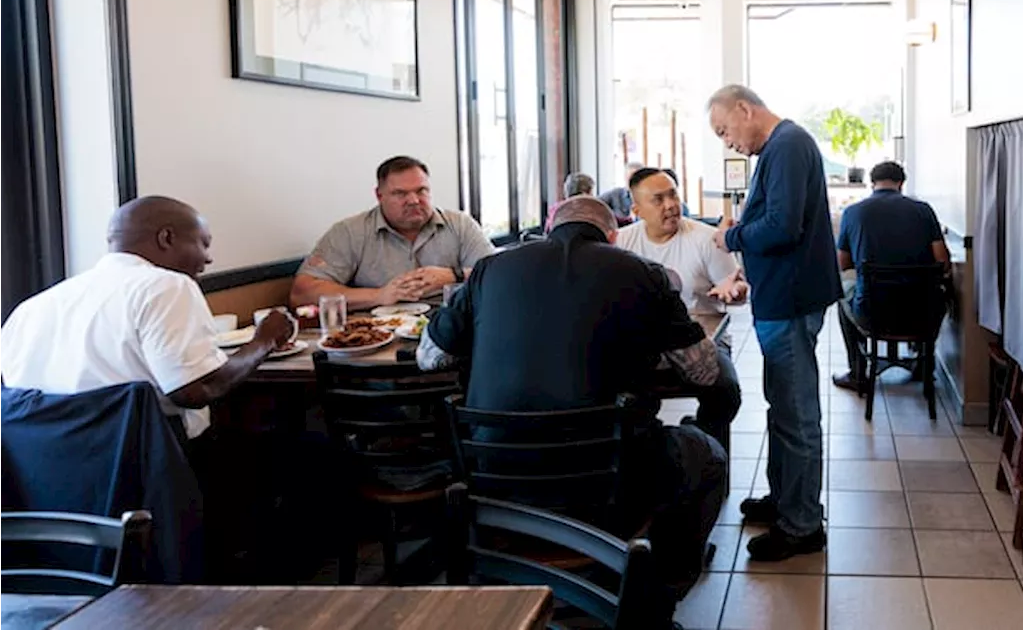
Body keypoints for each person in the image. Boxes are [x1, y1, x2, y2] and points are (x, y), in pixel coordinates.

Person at [418, 197, 726, 627]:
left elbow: (429, 357)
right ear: (613, 234)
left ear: (547, 228)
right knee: (708, 457)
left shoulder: (491, 269)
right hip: (610, 484)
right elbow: (704, 372)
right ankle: (655, 600)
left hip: (497, 479)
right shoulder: (643, 273)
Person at [0, 197, 294, 439]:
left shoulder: (29, 309)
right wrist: (264, 340)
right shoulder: (165, 285)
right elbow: (195, 390)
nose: (208, 258)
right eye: (203, 243)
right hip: (144, 470)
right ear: (166, 238)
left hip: (46, 489)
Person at [707, 84, 840, 562]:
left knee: (796, 414)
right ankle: (786, 501)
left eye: (725, 129)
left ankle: (802, 525)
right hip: (780, 295)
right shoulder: (780, 149)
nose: (728, 142)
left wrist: (731, 236)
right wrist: (746, 271)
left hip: (790, 301)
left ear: (745, 108)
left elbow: (783, 227)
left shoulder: (787, 145)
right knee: (781, 408)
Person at [617, 167, 745, 450]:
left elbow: (734, 288)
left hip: (701, 341)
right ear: (637, 209)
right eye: (658, 199)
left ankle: (703, 444)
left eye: (673, 194)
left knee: (726, 391)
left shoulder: (706, 239)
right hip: (641, 347)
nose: (671, 205)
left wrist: (735, 293)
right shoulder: (622, 243)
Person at [291, 156, 494, 310]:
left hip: (453, 327)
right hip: (377, 337)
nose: (414, 200)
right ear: (379, 196)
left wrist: (453, 275)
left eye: (421, 190)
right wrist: (379, 296)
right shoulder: (349, 232)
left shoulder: (460, 225)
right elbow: (302, 293)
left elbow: (500, 275)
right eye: (400, 193)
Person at [833, 160, 951, 390]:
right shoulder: (923, 211)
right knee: (941, 296)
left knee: (842, 293)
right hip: (920, 315)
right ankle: (924, 366)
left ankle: (857, 373)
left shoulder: (853, 212)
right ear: (902, 184)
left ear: (872, 183)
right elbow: (943, 262)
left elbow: (843, 263)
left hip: (871, 314)